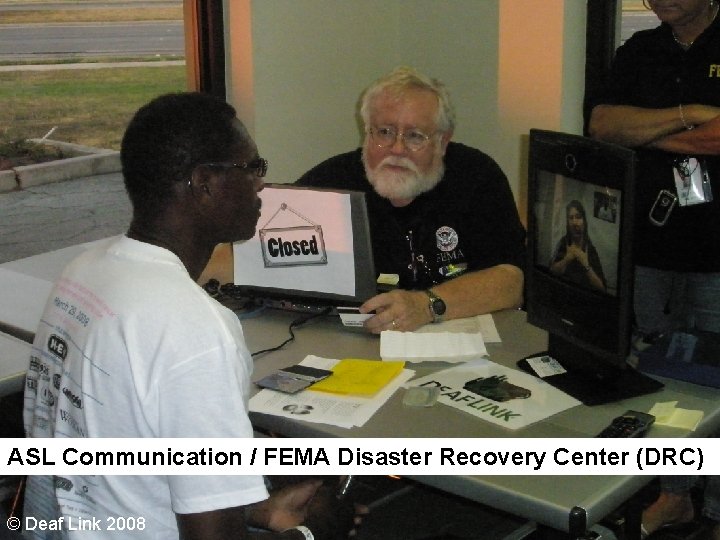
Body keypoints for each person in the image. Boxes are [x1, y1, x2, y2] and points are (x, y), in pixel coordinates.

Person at [22, 92, 358, 540]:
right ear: (205, 183)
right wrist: (312, 532)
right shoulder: (195, 330)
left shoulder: (85, 271)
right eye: (253, 168)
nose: (262, 185)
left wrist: (250, 507)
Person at [588, 0, 720, 538]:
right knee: (657, 384)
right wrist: (694, 115)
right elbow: (601, 125)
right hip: (645, 249)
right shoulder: (640, 49)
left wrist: (646, 131)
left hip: (716, 257)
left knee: (713, 388)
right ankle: (674, 498)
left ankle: (715, 513)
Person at [296, 66, 526, 333]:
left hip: (462, 346)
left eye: (415, 136)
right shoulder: (331, 183)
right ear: (367, 132)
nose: (397, 148)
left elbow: (511, 283)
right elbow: (255, 250)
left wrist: (426, 305)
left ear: (443, 141)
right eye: (384, 132)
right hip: (354, 342)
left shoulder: (477, 178)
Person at [549, 200, 606, 292]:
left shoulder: (589, 248)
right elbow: (551, 270)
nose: (574, 222)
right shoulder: (564, 242)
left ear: (584, 221)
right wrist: (567, 259)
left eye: (578, 217)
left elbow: (602, 288)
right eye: (571, 218)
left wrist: (586, 265)